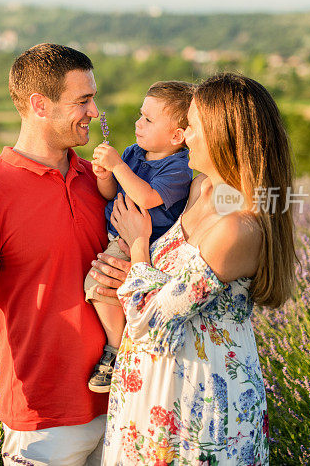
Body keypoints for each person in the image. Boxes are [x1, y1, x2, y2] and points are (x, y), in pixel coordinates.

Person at [99, 73, 297, 465]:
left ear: (224, 136)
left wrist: (138, 244)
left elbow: (151, 320)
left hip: (199, 405)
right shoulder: (201, 188)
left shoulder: (237, 228)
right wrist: (124, 270)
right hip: (152, 392)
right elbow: (162, 283)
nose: (184, 135)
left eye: (194, 127)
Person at [0, 43, 117, 465]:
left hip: (122, 403)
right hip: (43, 421)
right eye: (83, 100)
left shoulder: (98, 179)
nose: (94, 111)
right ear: (40, 105)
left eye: (93, 98)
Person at [84, 81, 194, 394]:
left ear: (176, 136)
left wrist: (118, 165)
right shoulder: (134, 153)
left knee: (97, 284)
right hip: (118, 236)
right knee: (103, 288)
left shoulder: (179, 167)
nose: (138, 123)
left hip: (146, 245)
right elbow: (110, 194)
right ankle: (120, 343)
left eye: (148, 119)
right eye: (139, 115)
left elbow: (146, 198)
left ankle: (115, 350)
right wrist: (106, 176)